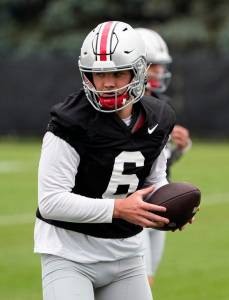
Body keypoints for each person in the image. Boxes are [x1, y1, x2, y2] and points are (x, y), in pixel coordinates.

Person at [34, 21, 177, 300]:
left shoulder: (159, 118)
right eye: (98, 75)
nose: (107, 83)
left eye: (117, 73)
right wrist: (119, 208)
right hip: (69, 254)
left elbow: (156, 180)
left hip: (126, 252)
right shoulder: (70, 121)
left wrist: (168, 208)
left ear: (137, 71)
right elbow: (50, 202)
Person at [136, 27, 191, 286]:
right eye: (152, 66)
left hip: (158, 197)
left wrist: (178, 147)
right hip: (130, 203)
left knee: (147, 282)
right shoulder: (122, 110)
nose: (158, 72)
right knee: (138, 283)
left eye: (160, 67)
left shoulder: (161, 105)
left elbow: (157, 160)